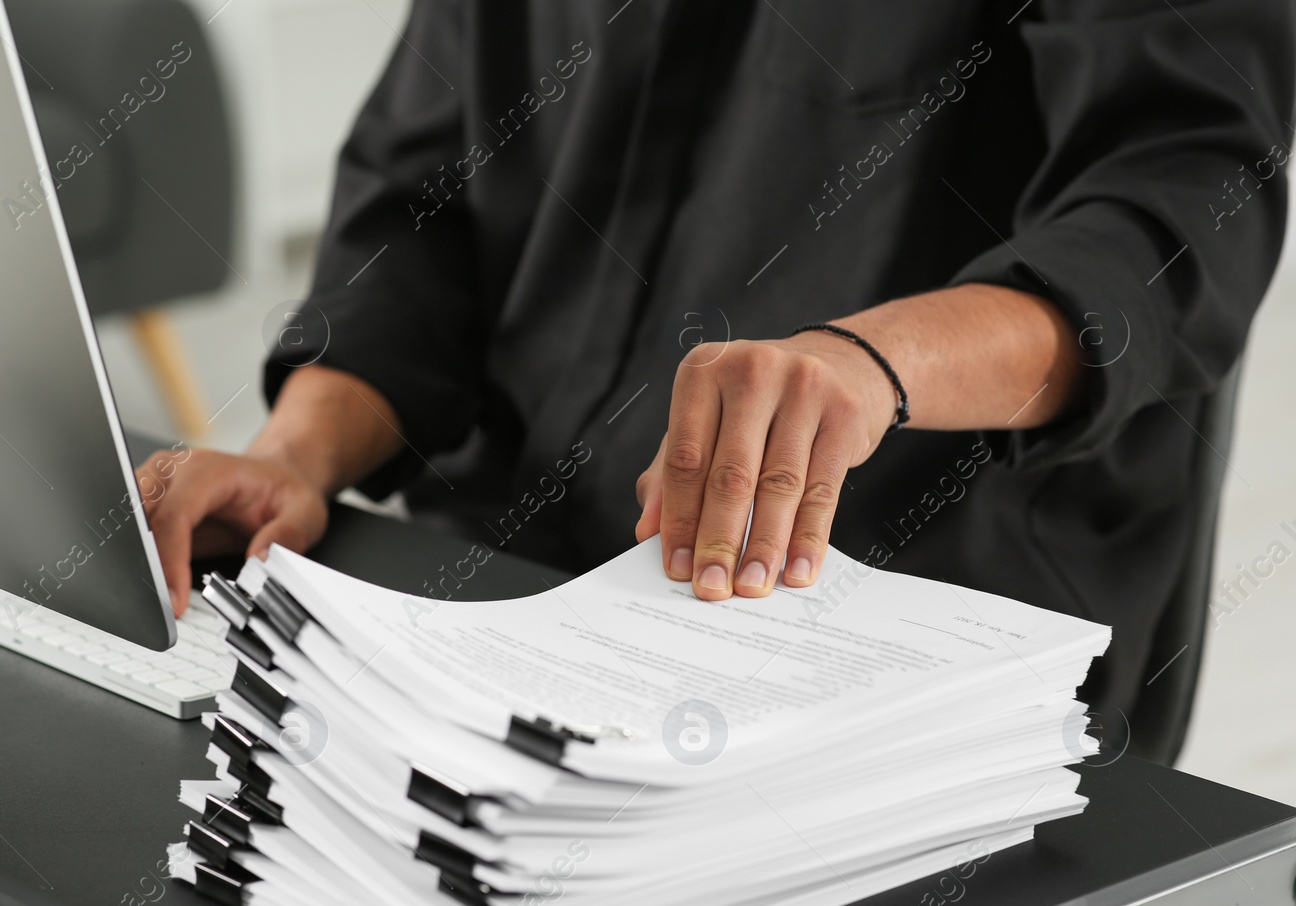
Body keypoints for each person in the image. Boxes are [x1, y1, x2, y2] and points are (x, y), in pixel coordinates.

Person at [139, 1, 1293, 761]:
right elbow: (424, 195)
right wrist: (295, 456)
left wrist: (881, 361)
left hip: (903, 658)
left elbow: (1183, 217)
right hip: (506, 600)